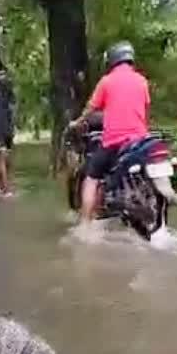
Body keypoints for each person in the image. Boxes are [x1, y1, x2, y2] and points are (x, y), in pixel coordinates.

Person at [70, 42, 150, 224]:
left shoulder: (106, 81)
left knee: (91, 177)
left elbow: (91, 108)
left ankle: (84, 225)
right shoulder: (142, 81)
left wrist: (78, 122)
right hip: (139, 142)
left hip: (115, 141)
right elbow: (145, 110)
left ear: (112, 60)